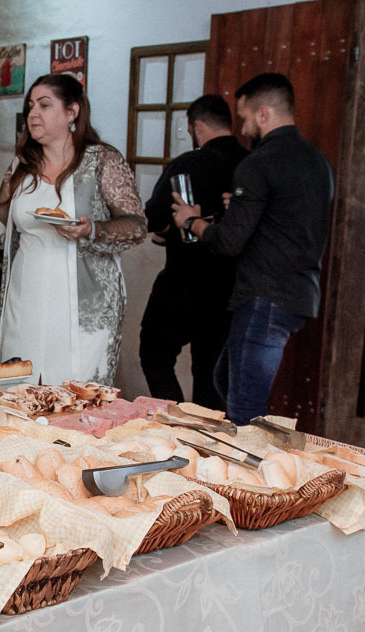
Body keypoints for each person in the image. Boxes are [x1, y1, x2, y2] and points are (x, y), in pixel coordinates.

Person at [171, 72, 333, 425]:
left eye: (244, 118)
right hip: (300, 293)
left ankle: (245, 477)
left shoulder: (258, 163)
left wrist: (190, 221)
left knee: (244, 410)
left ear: (263, 114)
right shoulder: (317, 162)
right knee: (223, 379)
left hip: (265, 297)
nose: (241, 130)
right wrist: (241, 209)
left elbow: (228, 242)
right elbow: (286, 219)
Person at [0, 73, 146, 384]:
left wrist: (91, 231)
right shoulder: (21, 166)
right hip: (26, 296)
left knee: (72, 392)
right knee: (21, 383)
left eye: (44, 105)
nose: (33, 113)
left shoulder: (101, 160)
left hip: (83, 304)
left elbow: (137, 226)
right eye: (31, 105)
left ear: (72, 112)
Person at [140, 94, 249, 409]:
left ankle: (175, 422)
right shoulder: (250, 163)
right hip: (232, 286)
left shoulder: (188, 163)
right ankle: (205, 440)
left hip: (184, 281)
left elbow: (154, 217)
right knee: (210, 371)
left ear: (196, 126)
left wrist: (171, 227)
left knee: (155, 353)